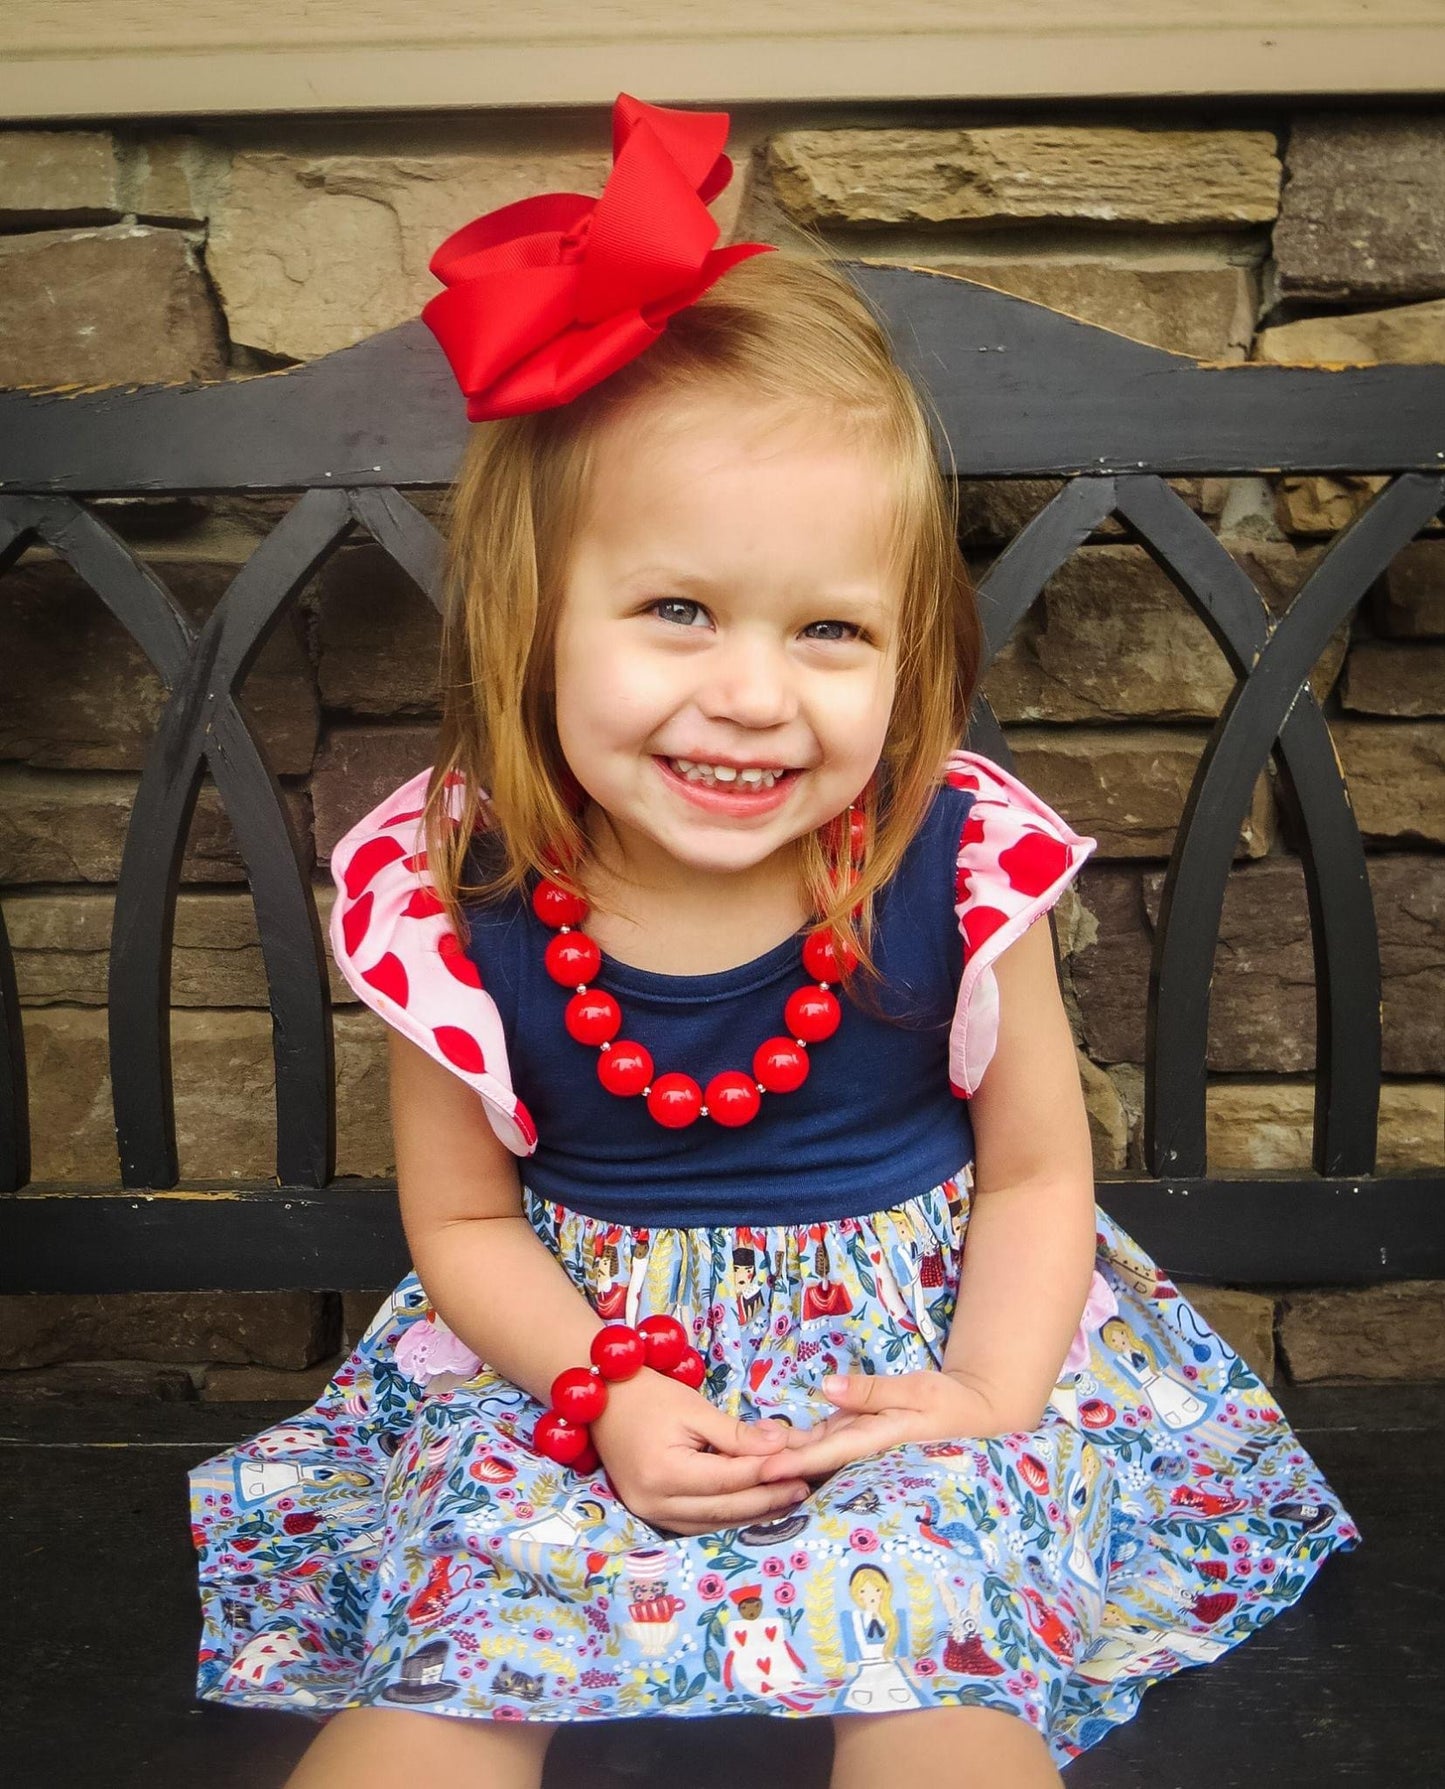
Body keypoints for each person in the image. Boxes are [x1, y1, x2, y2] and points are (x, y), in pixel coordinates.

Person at [188, 93, 1360, 1789]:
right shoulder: (458, 886)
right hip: (582, 1359)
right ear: (536, 619)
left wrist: (979, 1392)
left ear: (909, 652)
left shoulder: (951, 856)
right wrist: (599, 1394)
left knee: (940, 1641)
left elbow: (1037, 1179)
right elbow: (457, 1217)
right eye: (677, 609)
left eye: (828, 629)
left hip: (915, 1357)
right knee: (457, 1653)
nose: (751, 692)